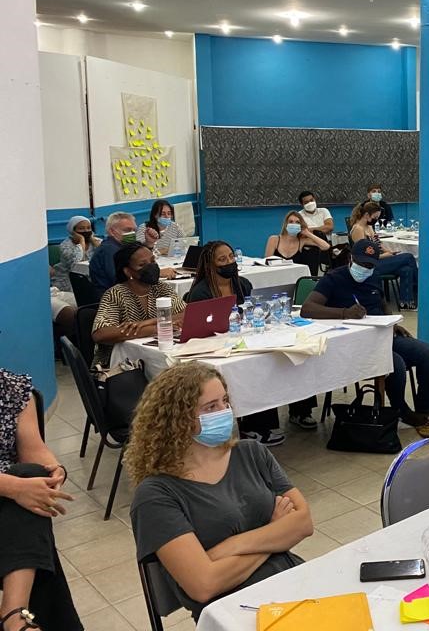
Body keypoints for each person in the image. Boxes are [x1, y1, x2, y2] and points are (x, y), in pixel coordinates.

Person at [126, 363, 313, 622]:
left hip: (293, 583)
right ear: (178, 419)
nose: (224, 411)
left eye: (225, 401)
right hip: (233, 612)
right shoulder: (156, 495)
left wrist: (231, 546)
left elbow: (303, 523)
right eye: (210, 407)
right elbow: (204, 585)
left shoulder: (251, 453)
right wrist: (275, 534)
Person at [300, 239, 429, 438]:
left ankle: (425, 409)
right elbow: (307, 309)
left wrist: (391, 322)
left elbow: (382, 302)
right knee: (395, 363)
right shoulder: (334, 278)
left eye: (370, 266)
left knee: (428, 353)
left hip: (382, 335)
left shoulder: (373, 276)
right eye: (362, 264)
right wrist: (344, 313)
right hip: (354, 344)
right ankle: (402, 411)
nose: (365, 269)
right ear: (351, 258)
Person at [0, 368, 83, 631]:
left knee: (32, 478)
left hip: (10, 508)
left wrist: (53, 470)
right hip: (10, 498)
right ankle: (16, 616)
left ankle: (15, 616)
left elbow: (34, 449)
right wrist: (13, 487)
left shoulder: (12, 388)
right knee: (31, 532)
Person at [185, 242, 288, 446]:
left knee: (269, 362)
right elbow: (201, 327)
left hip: (244, 339)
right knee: (252, 369)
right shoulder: (201, 292)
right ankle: (252, 426)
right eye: (222, 260)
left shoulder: (243, 284)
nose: (229, 262)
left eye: (231, 257)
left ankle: (268, 421)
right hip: (216, 345)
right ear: (210, 266)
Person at [91, 243, 187, 367]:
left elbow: (187, 314)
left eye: (153, 261)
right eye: (142, 265)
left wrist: (148, 322)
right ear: (128, 272)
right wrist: (155, 328)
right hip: (119, 366)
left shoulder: (161, 288)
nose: (151, 266)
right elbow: (100, 333)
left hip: (154, 355)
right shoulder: (116, 294)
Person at [349, 201, 419, 310]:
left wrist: (389, 252)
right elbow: (364, 256)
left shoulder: (369, 227)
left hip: (378, 260)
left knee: (406, 269)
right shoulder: (358, 229)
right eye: (375, 217)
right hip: (368, 265)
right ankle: (419, 290)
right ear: (367, 215)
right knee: (409, 257)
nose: (376, 220)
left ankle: (407, 303)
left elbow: (378, 245)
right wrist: (386, 256)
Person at [50, 216, 99, 337]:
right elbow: (75, 264)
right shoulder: (65, 245)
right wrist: (81, 242)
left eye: (88, 228)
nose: (86, 231)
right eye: (81, 229)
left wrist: (95, 243)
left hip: (89, 280)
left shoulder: (96, 241)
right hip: (67, 282)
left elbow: (103, 258)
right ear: (73, 231)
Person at [264, 211, 329, 274]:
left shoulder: (302, 241)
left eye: (297, 222)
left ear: (301, 225)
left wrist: (307, 233)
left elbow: (326, 246)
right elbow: (267, 262)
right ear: (286, 224)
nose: (294, 224)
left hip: (295, 277)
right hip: (276, 275)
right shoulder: (274, 239)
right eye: (291, 221)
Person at [89, 211, 137, 293]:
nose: (132, 233)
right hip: (111, 296)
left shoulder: (117, 246)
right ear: (112, 231)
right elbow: (120, 279)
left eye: (134, 230)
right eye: (127, 230)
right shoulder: (110, 250)